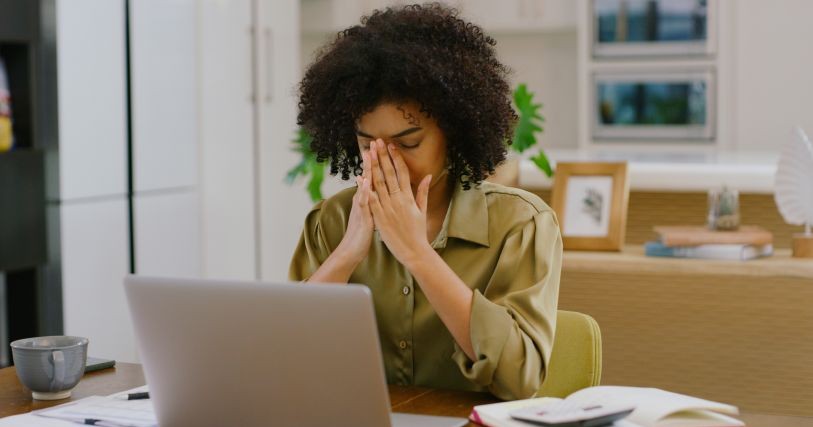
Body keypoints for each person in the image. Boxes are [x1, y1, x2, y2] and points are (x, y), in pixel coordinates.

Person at [289, 3, 562, 400]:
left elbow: (520, 378)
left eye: (409, 143)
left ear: (452, 132)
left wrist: (417, 253)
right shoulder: (330, 220)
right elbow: (287, 358)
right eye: (367, 144)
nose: (387, 160)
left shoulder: (521, 224)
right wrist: (347, 253)